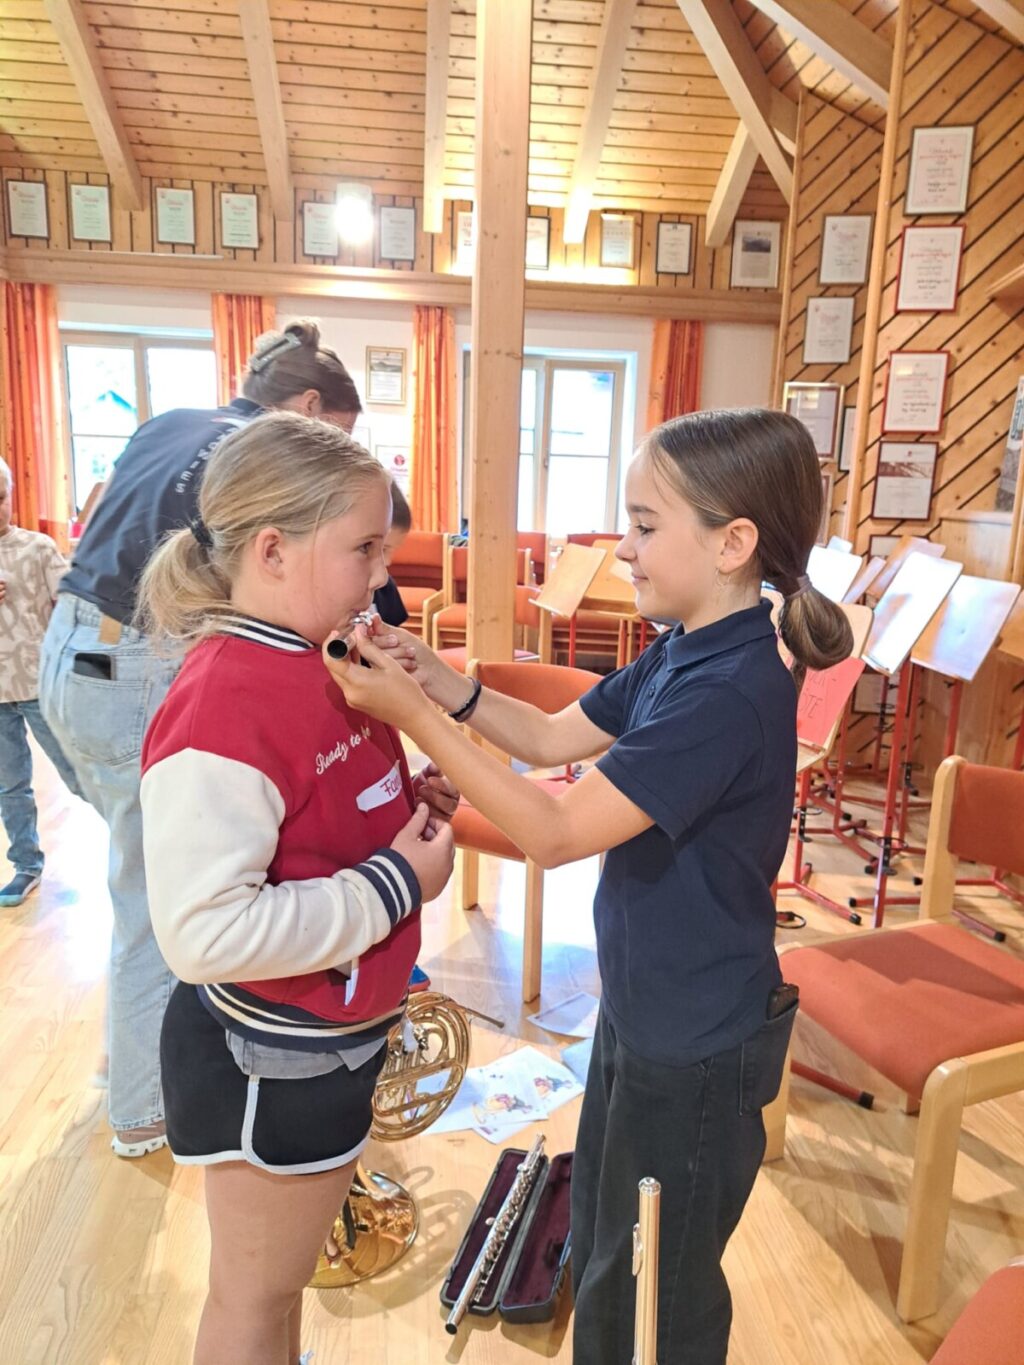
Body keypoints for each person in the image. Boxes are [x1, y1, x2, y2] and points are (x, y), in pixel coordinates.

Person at [322, 408, 854, 1365]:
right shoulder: (687, 646)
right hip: (647, 1011)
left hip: (697, 1042)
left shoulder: (728, 691)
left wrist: (413, 716)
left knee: (661, 1289)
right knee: (610, 1245)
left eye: (645, 525)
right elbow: (549, 735)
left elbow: (556, 832)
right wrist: (435, 678)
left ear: (733, 543)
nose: (625, 548)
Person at [136, 411, 456, 1365]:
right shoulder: (224, 703)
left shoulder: (315, 653)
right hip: (271, 1056)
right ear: (272, 551)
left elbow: (317, 818)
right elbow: (203, 933)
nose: (383, 577)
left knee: (277, 1292)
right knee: (252, 1300)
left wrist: (403, 808)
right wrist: (398, 878)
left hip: (326, 1041)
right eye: (364, 549)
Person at [38, 319, 364, 1158]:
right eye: (334, 439)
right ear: (306, 408)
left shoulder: (173, 421)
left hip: (68, 650)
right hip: (131, 663)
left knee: (143, 870)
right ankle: (143, 1111)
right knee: (162, 897)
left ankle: (128, 1054)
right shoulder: (260, 456)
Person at [0, 457, 84, 907]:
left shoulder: (37, 548)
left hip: (40, 684)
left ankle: (133, 846)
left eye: (0, 498)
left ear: (11, 496)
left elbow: (70, 607)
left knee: (79, 772)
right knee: (9, 785)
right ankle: (25, 865)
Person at [372, 479, 412, 627]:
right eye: (384, 549)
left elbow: (394, 633)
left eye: (392, 550)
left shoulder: (386, 589)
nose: (388, 561)